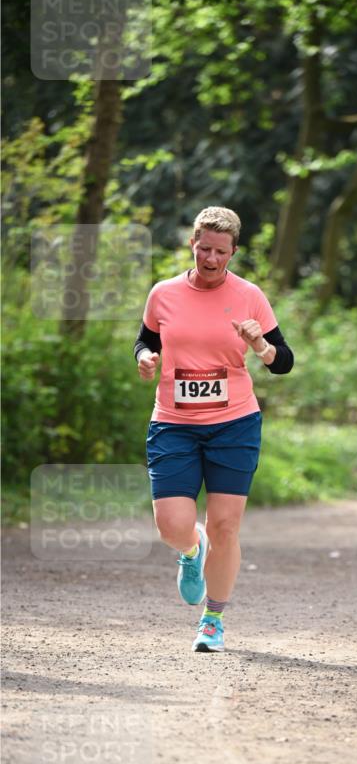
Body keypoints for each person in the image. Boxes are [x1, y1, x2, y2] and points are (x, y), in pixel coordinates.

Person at [134, 206, 294, 652]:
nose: (211, 258)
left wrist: (260, 345)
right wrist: (145, 358)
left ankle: (213, 620)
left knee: (225, 525)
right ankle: (191, 549)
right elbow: (146, 339)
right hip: (174, 423)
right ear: (192, 244)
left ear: (233, 252)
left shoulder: (249, 296)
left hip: (234, 424)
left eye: (220, 252)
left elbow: (283, 361)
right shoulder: (164, 293)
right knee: (172, 525)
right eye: (204, 248)